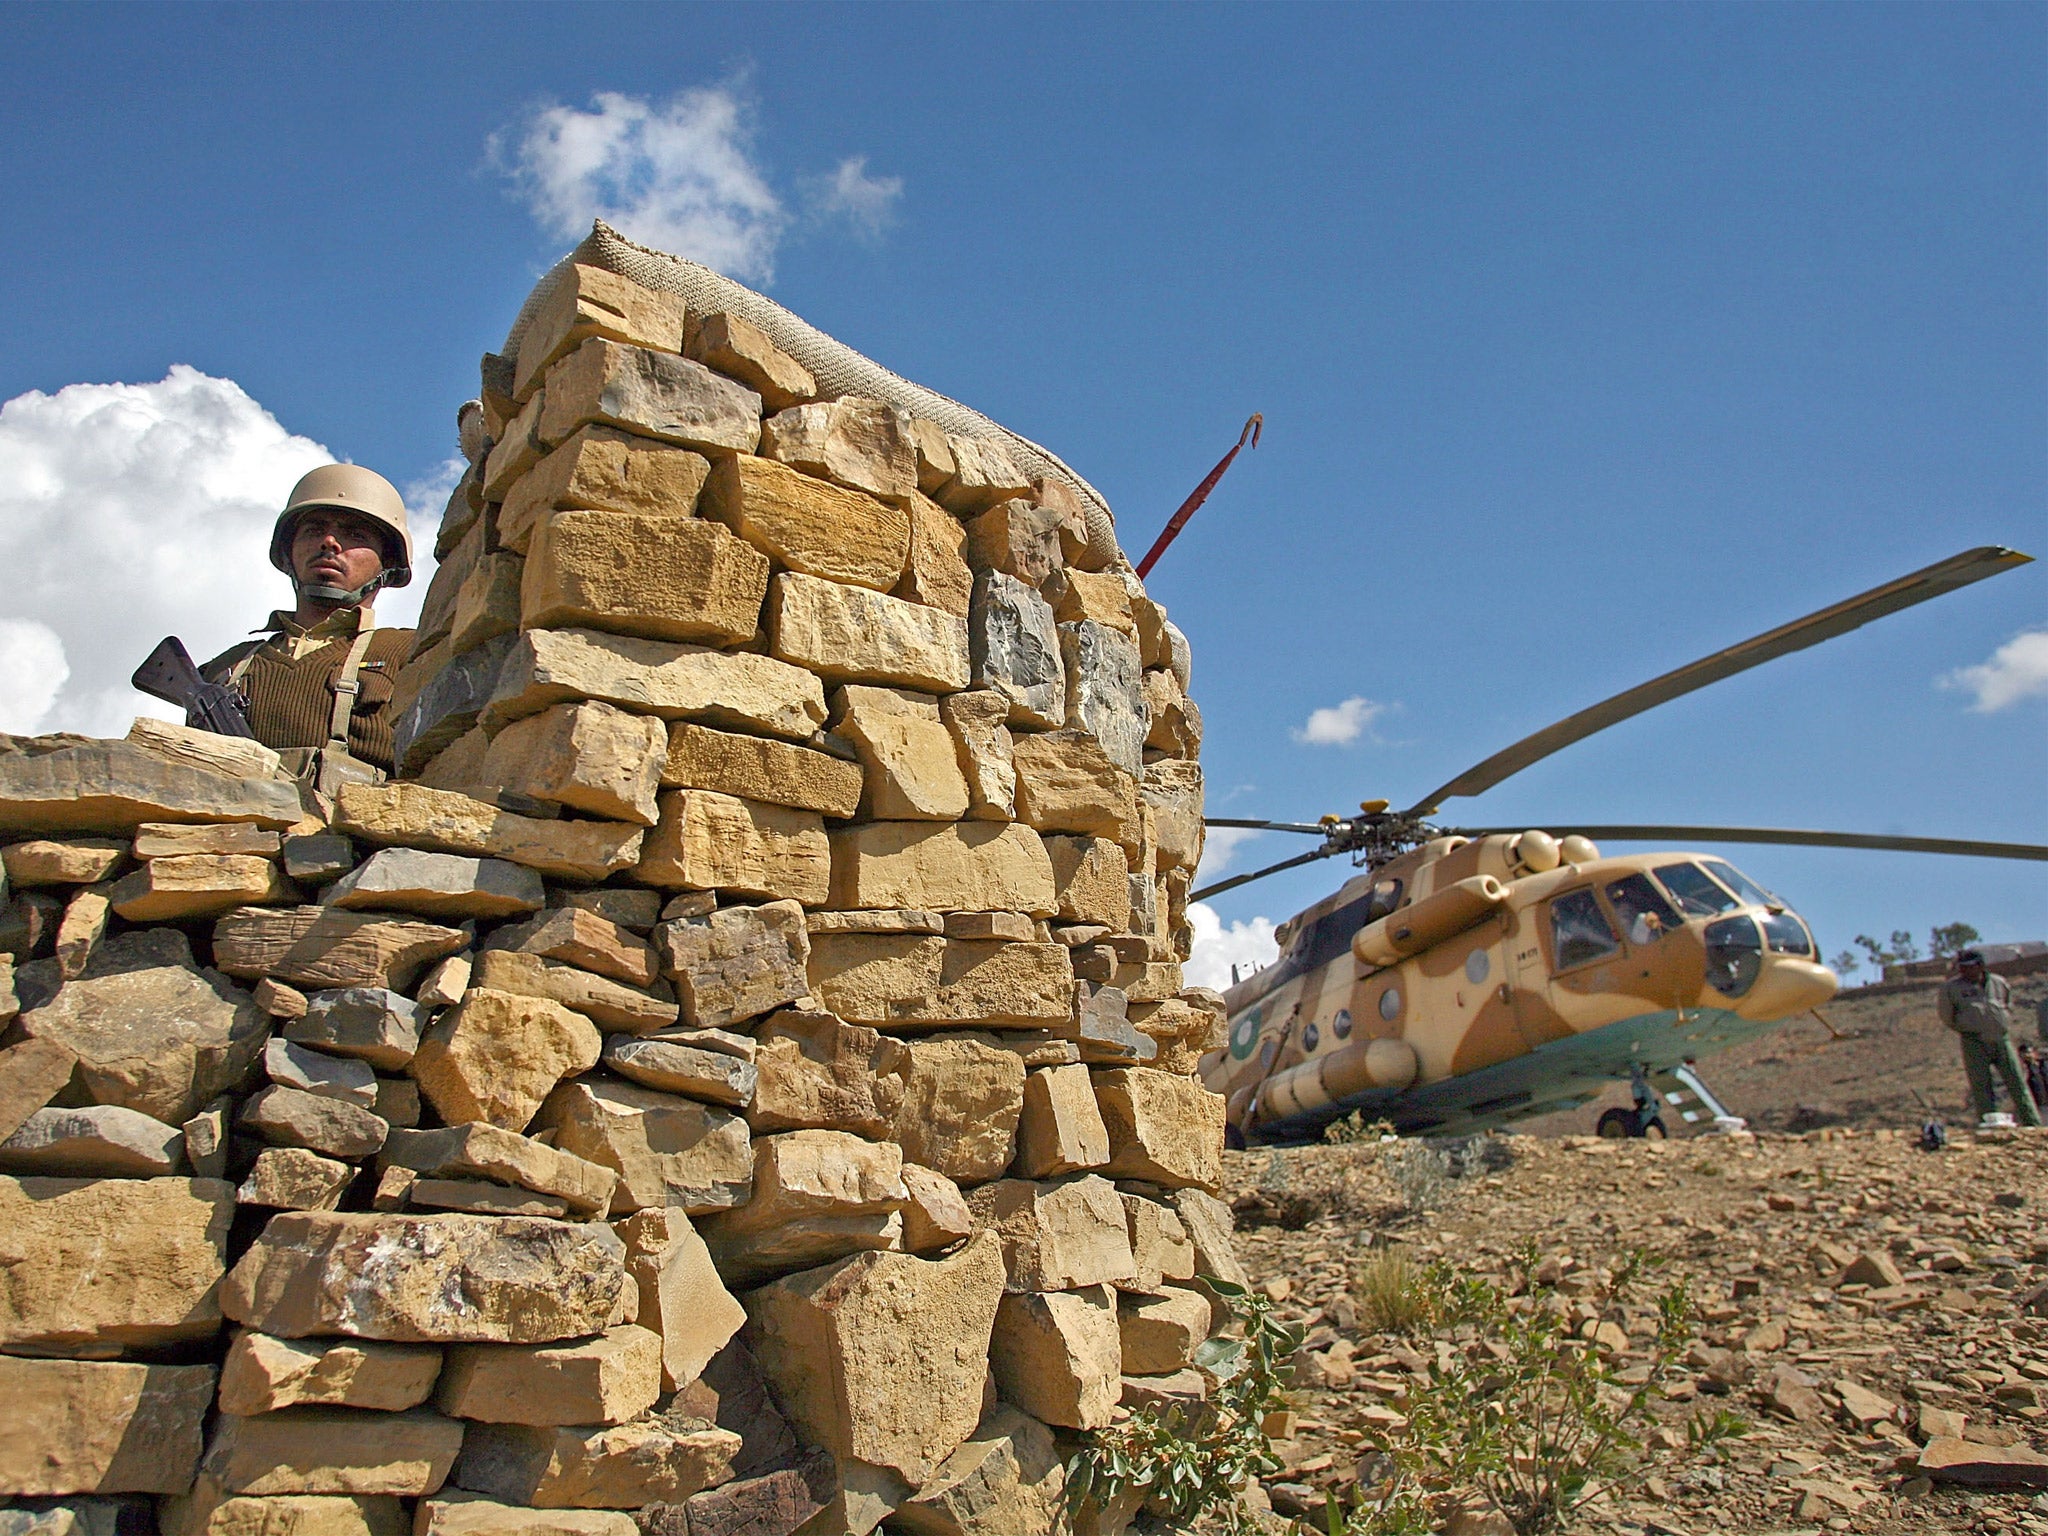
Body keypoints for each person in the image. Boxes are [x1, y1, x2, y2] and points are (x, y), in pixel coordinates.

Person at [203, 465, 416, 785]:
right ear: (287, 555)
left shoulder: (410, 652)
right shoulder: (229, 667)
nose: (329, 542)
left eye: (355, 534)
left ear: (388, 565)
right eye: (313, 530)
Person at [1935, 949, 2043, 1128]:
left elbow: (2007, 1005)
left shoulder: (1998, 983)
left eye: (1969, 967)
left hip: (2001, 1038)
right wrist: (1967, 1028)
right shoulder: (1951, 988)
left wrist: (2001, 1021)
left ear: (1980, 966)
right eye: (1961, 967)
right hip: (1974, 1041)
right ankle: (1989, 1125)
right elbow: (1947, 1016)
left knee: (2017, 1082)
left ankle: (2033, 1124)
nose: (1964, 971)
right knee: (1981, 1087)